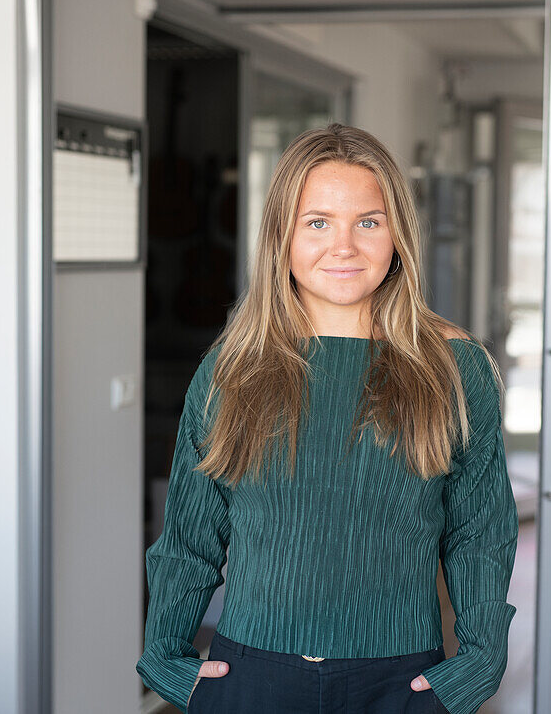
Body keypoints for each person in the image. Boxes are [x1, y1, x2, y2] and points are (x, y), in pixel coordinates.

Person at [136, 123, 519, 714]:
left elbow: (479, 531)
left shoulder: (455, 368)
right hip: (251, 674)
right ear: (281, 236)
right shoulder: (230, 370)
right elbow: (191, 538)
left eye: (368, 221)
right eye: (317, 222)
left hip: (401, 682)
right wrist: (164, 656)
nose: (344, 247)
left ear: (397, 237)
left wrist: (480, 662)